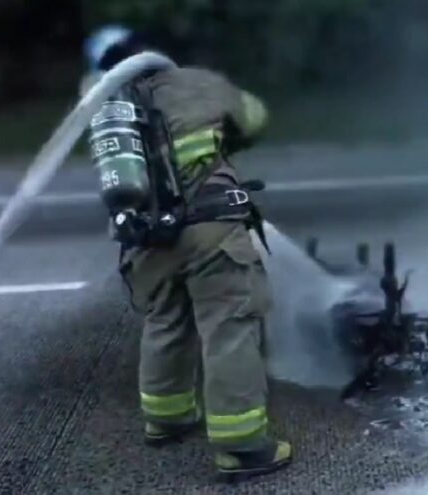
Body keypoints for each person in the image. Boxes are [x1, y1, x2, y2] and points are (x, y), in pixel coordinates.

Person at [81, 25, 292, 481]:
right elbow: (255, 119)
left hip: (147, 241)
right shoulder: (196, 83)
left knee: (165, 321)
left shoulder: (107, 109)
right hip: (210, 230)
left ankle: (167, 419)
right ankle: (243, 447)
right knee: (229, 327)